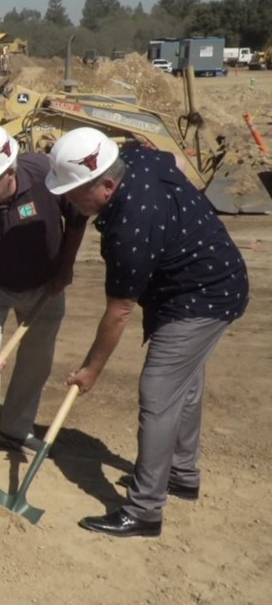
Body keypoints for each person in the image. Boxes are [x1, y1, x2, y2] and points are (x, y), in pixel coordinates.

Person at [46, 128, 249, 538]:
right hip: (206, 278)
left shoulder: (129, 228)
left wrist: (90, 371)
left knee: (158, 391)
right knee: (183, 384)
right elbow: (171, 158)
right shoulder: (135, 159)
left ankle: (144, 510)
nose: (69, 200)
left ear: (106, 185)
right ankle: (181, 473)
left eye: (75, 192)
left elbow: (119, 312)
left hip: (202, 295)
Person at [0, 122, 87, 474]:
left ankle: (16, 428)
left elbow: (78, 217)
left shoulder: (44, 174)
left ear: (10, 172)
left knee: (37, 359)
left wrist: (65, 266)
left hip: (45, 284)